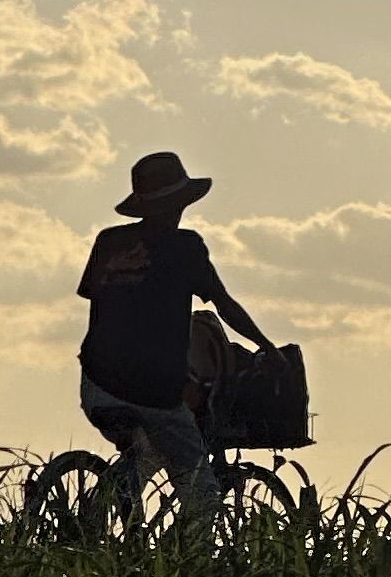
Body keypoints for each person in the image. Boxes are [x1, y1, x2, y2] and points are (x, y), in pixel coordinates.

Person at [75, 149, 276, 526]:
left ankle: (103, 511)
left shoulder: (108, 242)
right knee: (202, 492)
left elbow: (98, 306)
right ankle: (191, 570)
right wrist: (267, 348)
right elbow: (224, 306)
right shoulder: (185, 247)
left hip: (97, 383)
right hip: (153, 390)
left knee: (146, 450)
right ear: (179, 204)